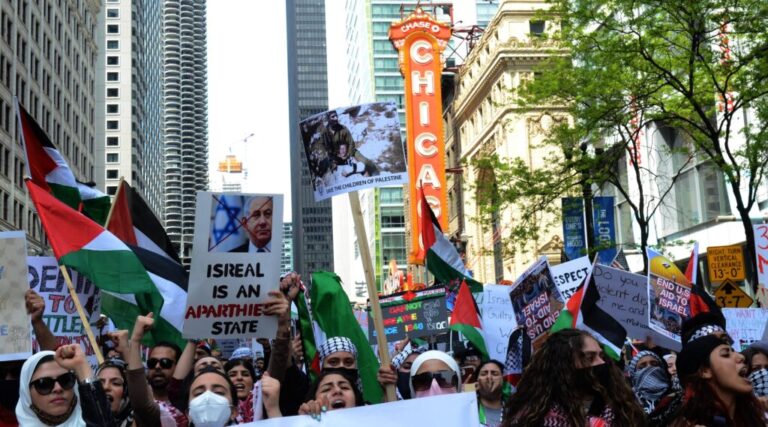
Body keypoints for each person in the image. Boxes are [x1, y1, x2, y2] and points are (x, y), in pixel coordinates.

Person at [503, 329, 646, 426]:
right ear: (564, 364)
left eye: (601, 356)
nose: (601, 362)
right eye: (589, 357)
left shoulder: (623, 410)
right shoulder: (535, 417)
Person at [671, 333, 766, 425]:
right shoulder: (691, 423)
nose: (741, 357)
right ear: (705, 371)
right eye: (725, 354)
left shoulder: (753, 415)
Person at [16, 346, 115, 427]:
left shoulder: (91, 422)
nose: (58, 388)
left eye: (66, 380)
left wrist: (81, 366)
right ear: (27, 393)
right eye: (44, 384)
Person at [625, 350, 682, 426]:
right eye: (642, 366)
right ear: (634, 373)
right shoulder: (628, 403)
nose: (649, 367)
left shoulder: (677, 397)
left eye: (654, 364)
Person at [298, 370, 363, 420]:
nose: (337, 390)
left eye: (344, 387)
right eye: (326, 389)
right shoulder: (305, 421)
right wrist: (304, 421)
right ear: (314, 399)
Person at [96, 359, 135, 427]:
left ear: (126, 391)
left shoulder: (140, 421)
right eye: (99, 383)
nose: (106, 387)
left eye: (115, 383)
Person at [476, 360, 506, 427]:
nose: (489, 377)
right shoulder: (468, 410)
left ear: (503, 380)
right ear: (477, 381)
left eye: (494, 374)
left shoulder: (515, 411)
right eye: (484, 374)